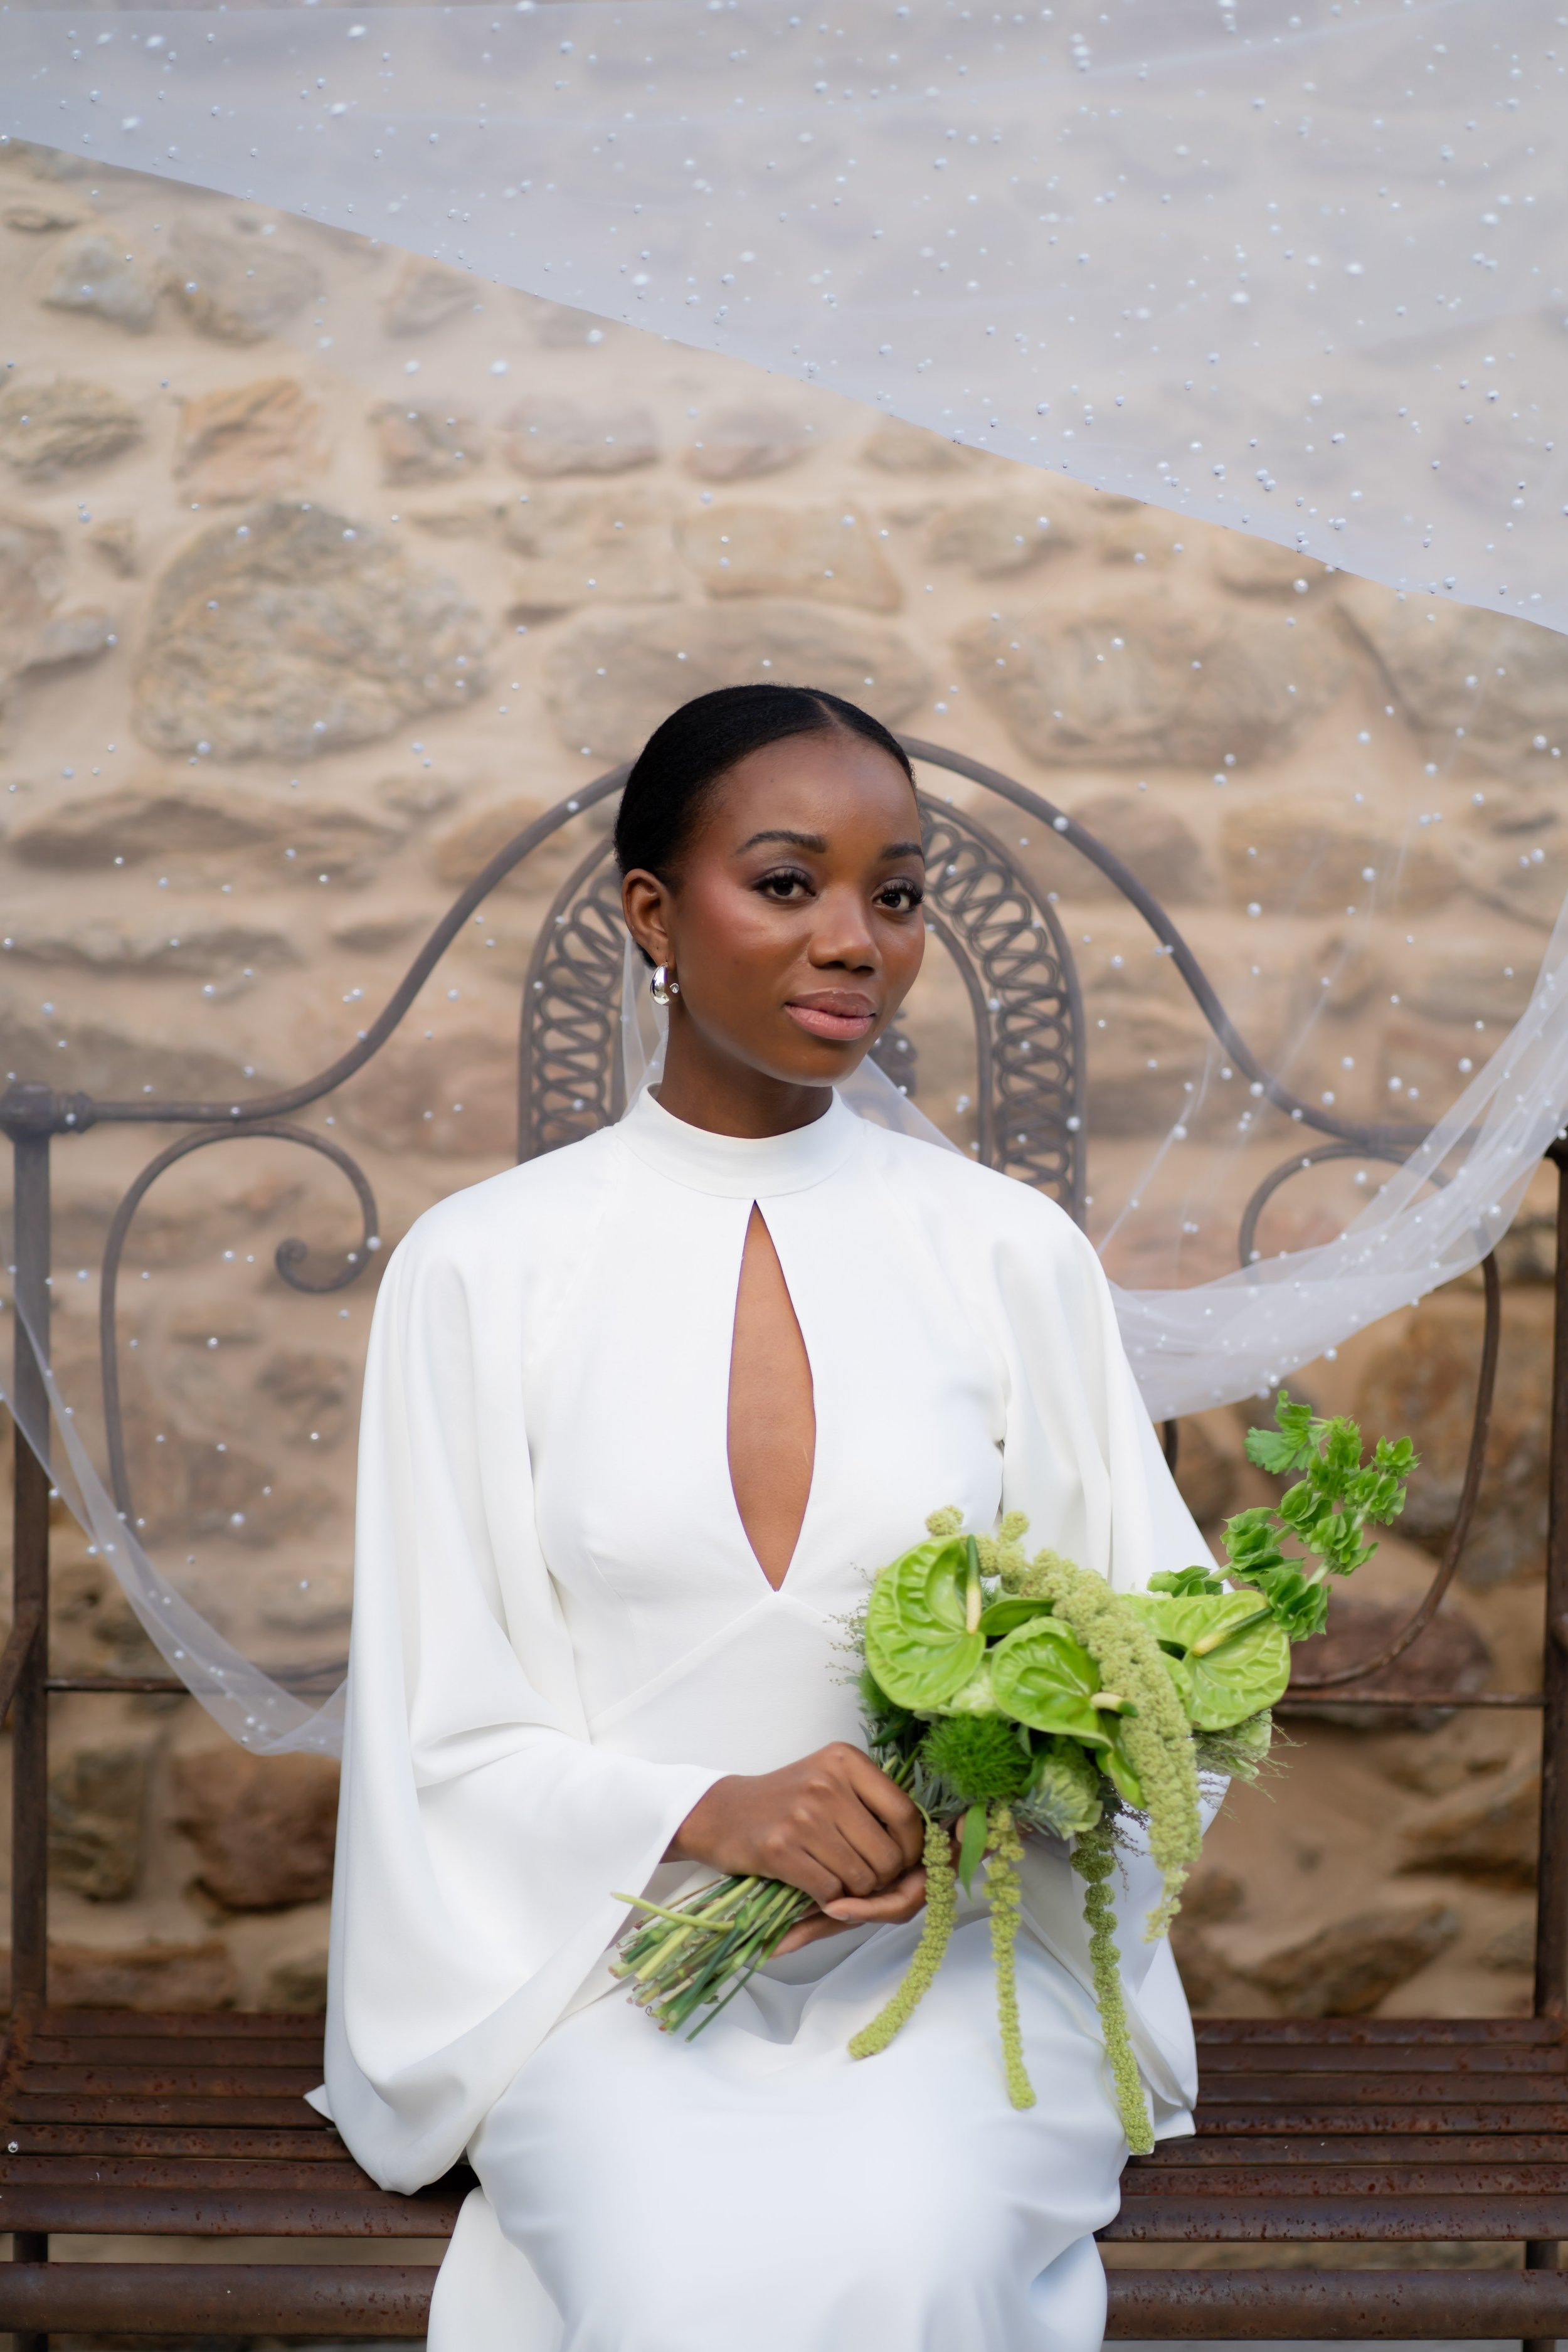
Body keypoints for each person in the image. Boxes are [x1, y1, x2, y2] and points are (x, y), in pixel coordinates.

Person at [318, 684, 1214, 2352]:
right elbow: (437, 1741)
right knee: (673, 2283)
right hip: (603, 1965)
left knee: (906, 2254)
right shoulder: (483, 1269)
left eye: (896, 893)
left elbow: (1162, 1670)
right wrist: (710, 1811)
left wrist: (976, 1809)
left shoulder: (1005, 1255)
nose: (854, 941)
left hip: (964, 1969)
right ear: (654, 913)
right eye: (787, 884)